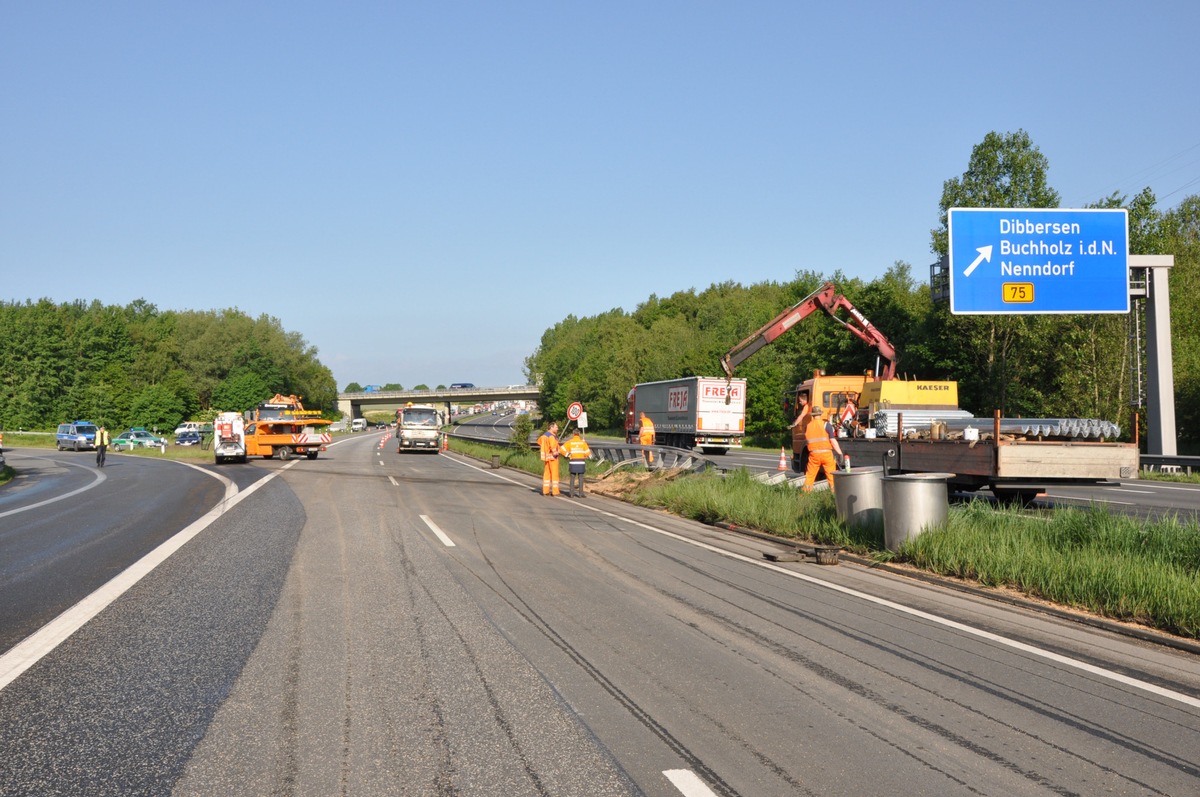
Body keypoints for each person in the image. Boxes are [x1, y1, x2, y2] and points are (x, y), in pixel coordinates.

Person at [803, 407, 844, 493]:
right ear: (821, 414)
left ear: (813, 415)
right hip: (826, 454)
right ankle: (834, 494)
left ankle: (805, 494)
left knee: (810, 476)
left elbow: (807, 441)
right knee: (831, 475)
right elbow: (833, 441)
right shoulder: (826, 425)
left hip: (814, 455)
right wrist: (840, 453)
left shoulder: (808, 426)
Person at [560, 428, 592, 497]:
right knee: (581, 478)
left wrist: (568, 455)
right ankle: (581, 494)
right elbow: (588, 452)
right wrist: (583, 455)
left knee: (572, 478)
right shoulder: (583, 443)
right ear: (579, 434)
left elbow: (561, 449)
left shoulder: (570, 442)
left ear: (573, 434)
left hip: (573, 462)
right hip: (581, 462)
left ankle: (571, 493)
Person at [538, 421, 562, 496]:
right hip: (553, 458)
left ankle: (545, 491)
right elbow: (553, 447)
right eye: (556, 427)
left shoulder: (544, 435)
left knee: (547, 475)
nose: (557, 429)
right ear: (551, 427)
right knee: (554, 475)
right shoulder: (551, 436)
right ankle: (555, 492)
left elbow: (539, 442)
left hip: (547, 457)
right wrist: (557, 453)